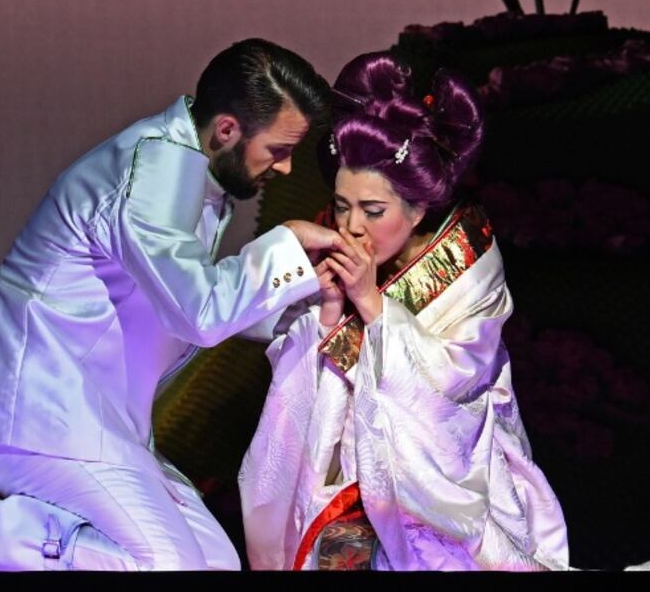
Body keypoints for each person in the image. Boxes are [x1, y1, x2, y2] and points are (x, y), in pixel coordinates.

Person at [0, 38, 346, 571]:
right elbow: (199, 311)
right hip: (31, 415)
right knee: (168, 568)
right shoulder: (155, 169)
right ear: (227, 129)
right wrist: (287, 249)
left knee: (217, 566)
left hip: (93, 419)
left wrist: (307, 295)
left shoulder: (187, 165)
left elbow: (179, 302)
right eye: (278, 149)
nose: (288, 169)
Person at [238, 51, 569, 570]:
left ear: (418, 209)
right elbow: (293, 385)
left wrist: (371, 304)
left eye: (373, 211)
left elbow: (453, 388)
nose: (351, 225)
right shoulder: (328, 245)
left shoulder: (469, 266)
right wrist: (326, 312)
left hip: (448, 479)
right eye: (342, 205)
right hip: (342, 475)